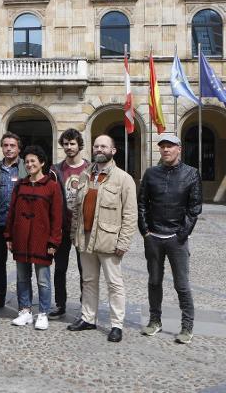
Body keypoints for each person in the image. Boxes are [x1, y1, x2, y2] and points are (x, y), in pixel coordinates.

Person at [67, 135, 137, 343]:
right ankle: (88, 318)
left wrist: (123, 242)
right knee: (88, 281)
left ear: (113, 151)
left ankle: (116, 324)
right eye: (96, 146)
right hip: (85, 237)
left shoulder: (124, 179)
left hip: (109, 240)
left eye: (104, 146)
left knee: (114, 284)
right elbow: (77, 210)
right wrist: (73, 234)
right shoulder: (84, 176)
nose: (99, 149)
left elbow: (130, 215)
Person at [138, 134, 202, 344]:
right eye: (163, 146)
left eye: (170, 146)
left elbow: (194, 208)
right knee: (154, 281)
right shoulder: (151, 174)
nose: (166, 150)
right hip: (154, 237)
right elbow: (142, 203)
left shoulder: (191, 174)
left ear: (179, 149)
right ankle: (155, 320)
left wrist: (182, 233)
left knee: (181, 284)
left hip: (177, 238)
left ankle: (187, 326)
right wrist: (145, 231)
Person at [5, 145, 62, 331]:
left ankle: (43, 312)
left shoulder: (52, 187)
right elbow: (11, 212)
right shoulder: (20, 185)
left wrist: (54, 240)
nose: (29, 164)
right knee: (22, 278)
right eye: (27, 161)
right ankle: (25, 310)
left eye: (33, 161)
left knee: (43, 280)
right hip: (21, 239)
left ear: (42, 163)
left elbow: (57, 216)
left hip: (42, 241)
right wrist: (9, 236)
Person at [48, 128, 89, 319]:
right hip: (62, 227)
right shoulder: (55, 170)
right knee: (60, 268)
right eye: (66, 143)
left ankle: (85, 306)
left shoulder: (90, 168)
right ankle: (60, 304)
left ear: (79, 145)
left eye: (72, 143)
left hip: (82, 227)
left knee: (85, 270)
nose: (69, 147)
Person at [0, 132, 27, 311]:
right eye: (6, 145)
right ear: (2, 147)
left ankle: (24, 302)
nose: (9, 149)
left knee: (22, 264)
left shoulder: (27, 166)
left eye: (12, 145)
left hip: (20, 225)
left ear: (19, 148)